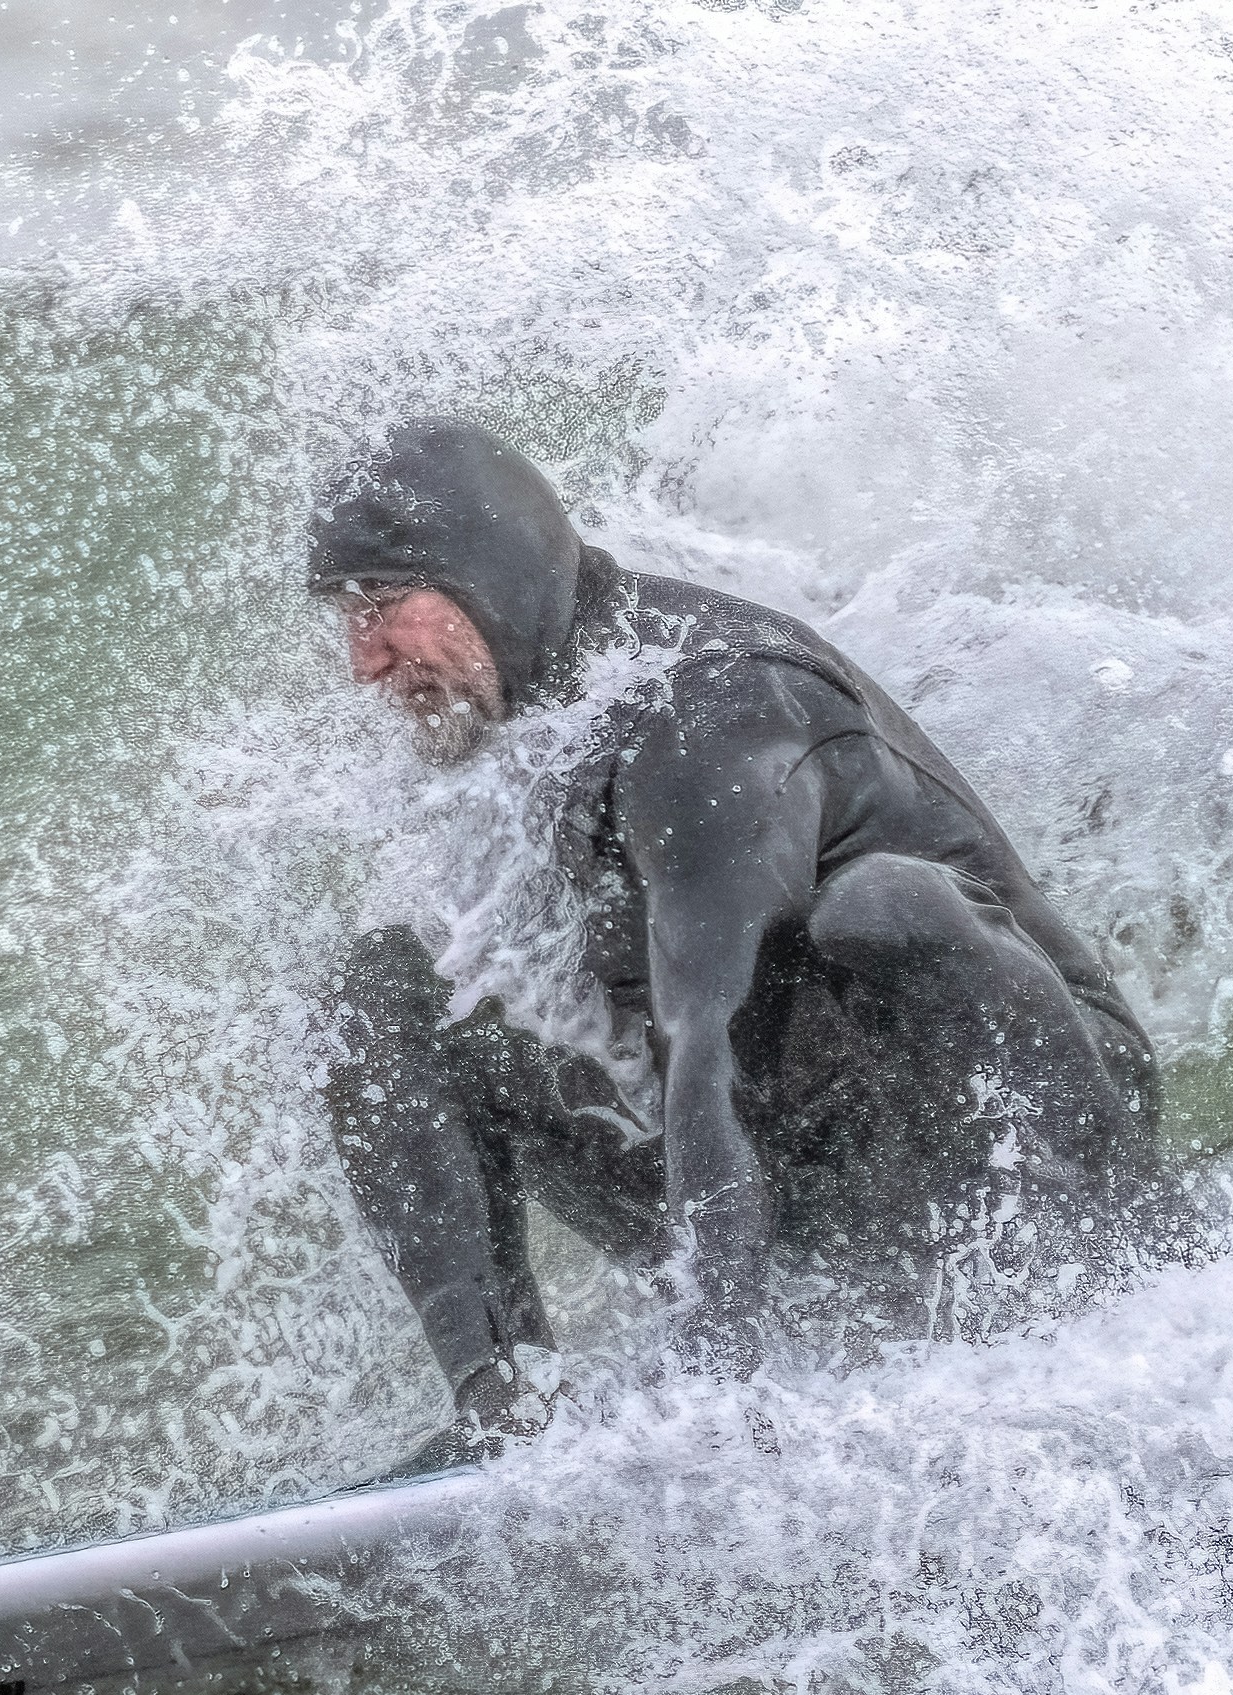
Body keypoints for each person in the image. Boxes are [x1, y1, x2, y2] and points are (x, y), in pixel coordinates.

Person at [316, 419, 1164, 1472]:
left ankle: (1095, 1299)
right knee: (386, 989)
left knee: (884, 906)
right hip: (813, 1167)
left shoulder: (705, 708)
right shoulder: (538, 723)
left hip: (1027, 1146)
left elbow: (702, 1036)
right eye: (345, 621)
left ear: (483, 578)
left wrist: (710, 1382)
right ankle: (507, 1412)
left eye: (381, 609)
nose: (363, 662)